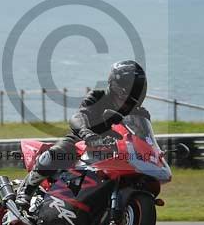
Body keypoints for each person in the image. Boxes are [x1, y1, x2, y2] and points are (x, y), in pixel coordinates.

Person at [15, 60, 150, 209]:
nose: (135, 91)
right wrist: (87, 134)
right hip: (83, 140)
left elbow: (144, 138)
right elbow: (78, 116)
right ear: (118, 85)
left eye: (138, 87)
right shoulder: (98, 96)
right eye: (133, 86)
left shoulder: (140, 113)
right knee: (59, 152)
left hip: (116, 149)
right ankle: (26, 190)